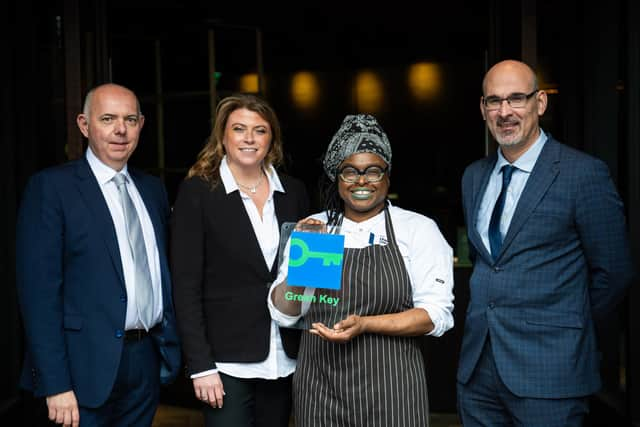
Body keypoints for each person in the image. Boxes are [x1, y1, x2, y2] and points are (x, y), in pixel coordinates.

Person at [456, 59, 634, 426]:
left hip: (551, 370)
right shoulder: (474, 177)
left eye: (516, 99)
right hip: (478, 373)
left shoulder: (582, 174)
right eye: (494, 101)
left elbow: (614, 273)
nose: (505, 111)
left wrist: (566, 323)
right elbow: (487, 260)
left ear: (540, 103)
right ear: (482, 108)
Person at [268, 114, 455, 427]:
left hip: (392, 389)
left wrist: (365, 324)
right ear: (337, 178)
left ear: (387, 177)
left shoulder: (416, 229)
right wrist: (306, 262)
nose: (361, 181)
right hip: (320, 388)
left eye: (372, 171)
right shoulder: (317, 229)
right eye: (350, 171)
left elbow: (435, 316)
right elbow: (285, 315)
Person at [16, 83, 181, 427]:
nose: (120, 129)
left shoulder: (152, 190)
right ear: (84, 124)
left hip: (145, 362)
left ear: (141, 125)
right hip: (80, 371)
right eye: (108, 119)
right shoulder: (52, 188)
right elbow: (39, 296)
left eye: (130, 119)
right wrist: (55, 384)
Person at [170, 93, 309, 427]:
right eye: (239, 129)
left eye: (259, 130)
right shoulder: (198, 192)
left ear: (271, 138)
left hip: (284, 356)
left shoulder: (294, 192)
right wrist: (200, 365)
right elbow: (185, 285)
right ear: (223, 136)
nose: (249, 138)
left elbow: (306, 277)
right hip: (224, 363)